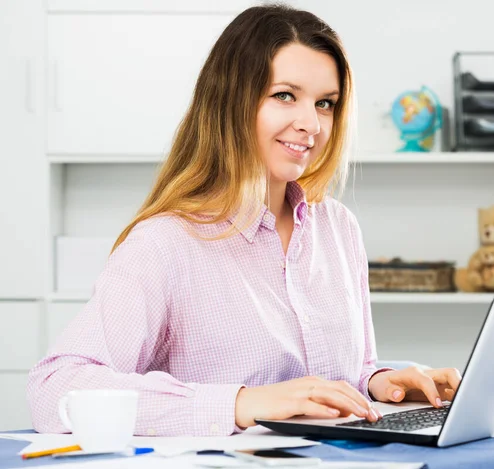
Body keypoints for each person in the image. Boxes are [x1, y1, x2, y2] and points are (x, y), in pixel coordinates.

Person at [27, 4, 461, 437]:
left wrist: (378, 381)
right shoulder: (164, 243)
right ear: (231, 99)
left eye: (325, 103)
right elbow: (54, 391)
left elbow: (336, 374)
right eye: (285, 95)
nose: (311, 124)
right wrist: (241, 403)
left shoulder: (338, 228)